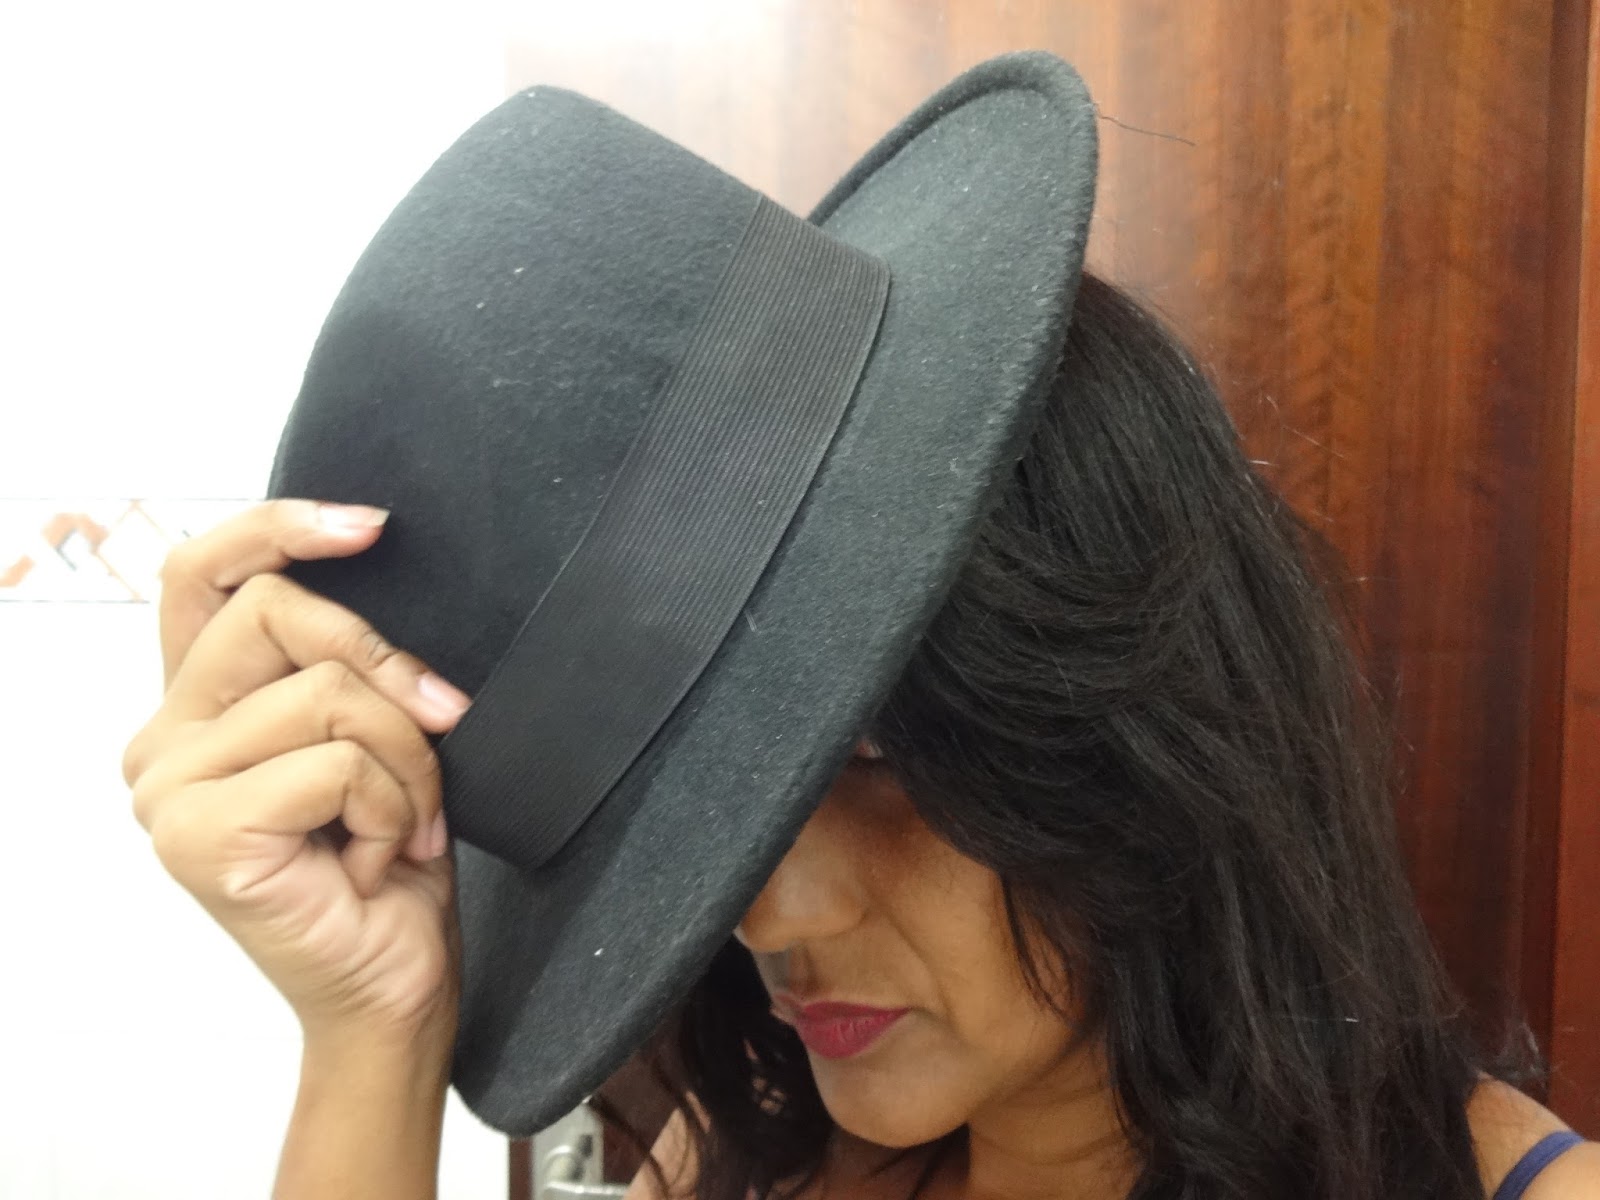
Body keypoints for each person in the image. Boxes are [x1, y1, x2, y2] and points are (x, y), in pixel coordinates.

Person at [122, 271, 1598, 1200]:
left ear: (1141, 738)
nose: (770, 910)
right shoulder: (745, 1165)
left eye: (886, 761)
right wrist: (373, 1034)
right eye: (720, 788)